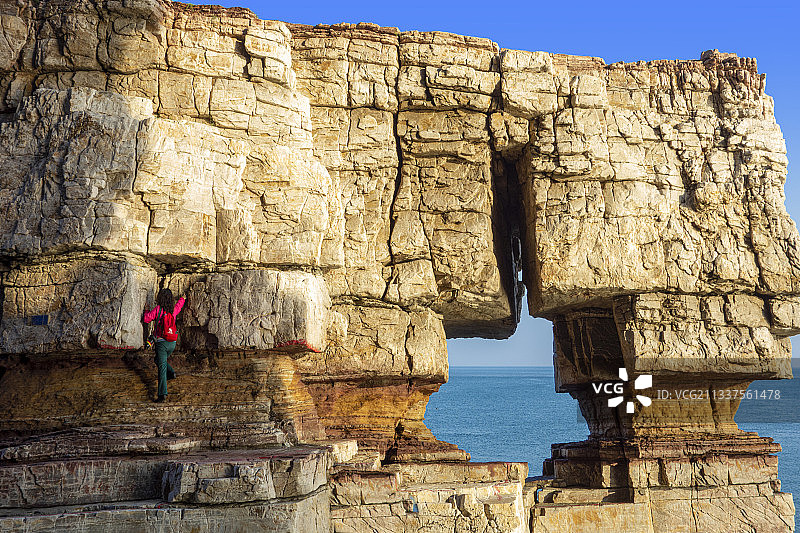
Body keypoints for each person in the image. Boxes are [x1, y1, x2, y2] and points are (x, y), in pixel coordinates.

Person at [143, 288, 185, 402]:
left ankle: (162, 395)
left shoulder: (158, 310)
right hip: (172, 343)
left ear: (160, 298)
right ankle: (171, 373)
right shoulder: (173, 310)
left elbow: (146, 319)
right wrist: (183, 298)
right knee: (159, 360)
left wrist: (146, 310)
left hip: (161, 343)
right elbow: (180, 305)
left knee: (161, 368)